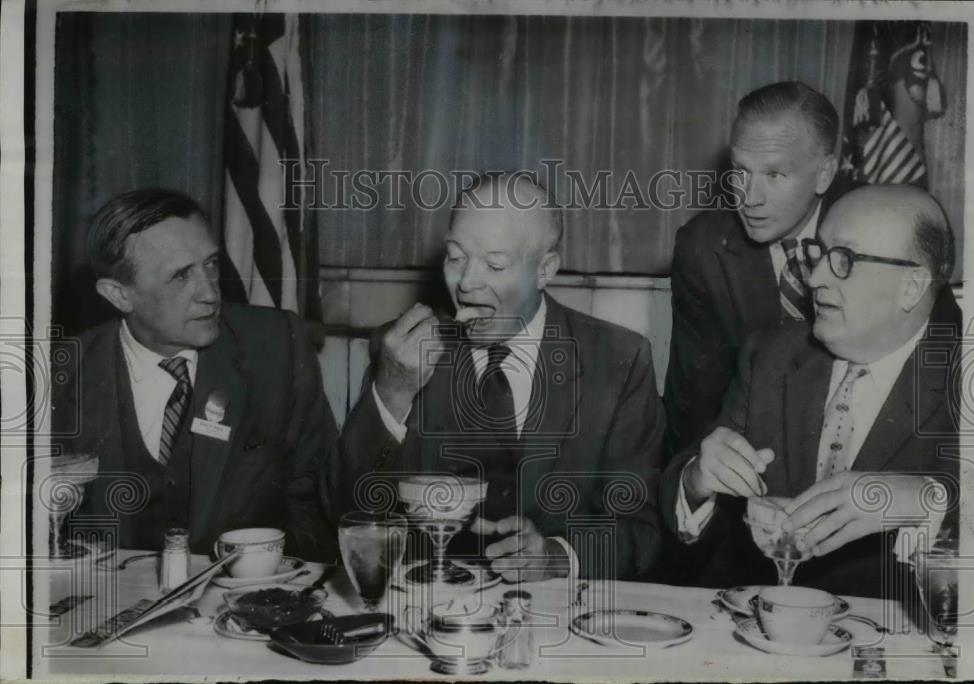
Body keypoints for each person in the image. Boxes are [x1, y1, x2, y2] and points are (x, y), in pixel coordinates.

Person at [342, 174, 665, 582]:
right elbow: (343, 512)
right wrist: (391, 392)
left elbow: (641, 531)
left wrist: (554, 557)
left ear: (545, 270)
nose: (465, 284)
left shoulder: (620, 361)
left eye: (495, 264)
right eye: (456, 257)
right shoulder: (399, 352)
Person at [661, 184, 961, 599]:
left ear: (912, 286)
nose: (815, 277)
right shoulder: (772, 354)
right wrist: (696, 480)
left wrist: (930, 500)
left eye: (845, 260)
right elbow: (689, 493)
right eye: (817, 254)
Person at [52, 189, 340, 561]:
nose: (210, 293)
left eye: (211, 264)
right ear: (119, 295)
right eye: (180, 276)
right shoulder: (59, 375)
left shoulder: (276, 347)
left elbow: (317, 499)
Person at [663, 81, 854, 462]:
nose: (749, 198)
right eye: (740, 170)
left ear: (824, 173)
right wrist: (690, 495)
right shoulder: (703, 248)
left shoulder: (881, 226)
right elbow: (693, 400)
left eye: (775, 175)